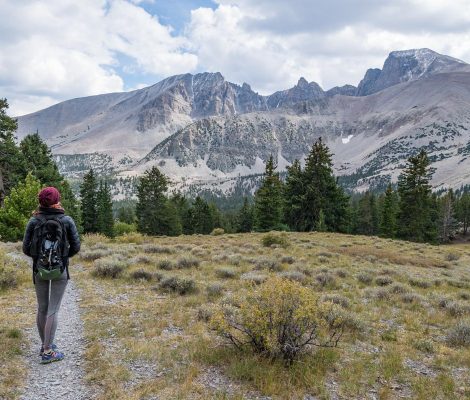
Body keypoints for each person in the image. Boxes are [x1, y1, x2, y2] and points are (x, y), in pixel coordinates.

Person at [22, 186, 80, 364]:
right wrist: (63, 258)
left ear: (40, 201)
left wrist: (38, 259)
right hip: (59, 270)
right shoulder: (66, 220)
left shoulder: (34, 220)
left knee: (42, 308)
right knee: (53, 309)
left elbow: (25, 248)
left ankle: (44, 345)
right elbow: (76, 246)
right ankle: (48, 350)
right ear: (57, 200)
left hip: (39, 270)